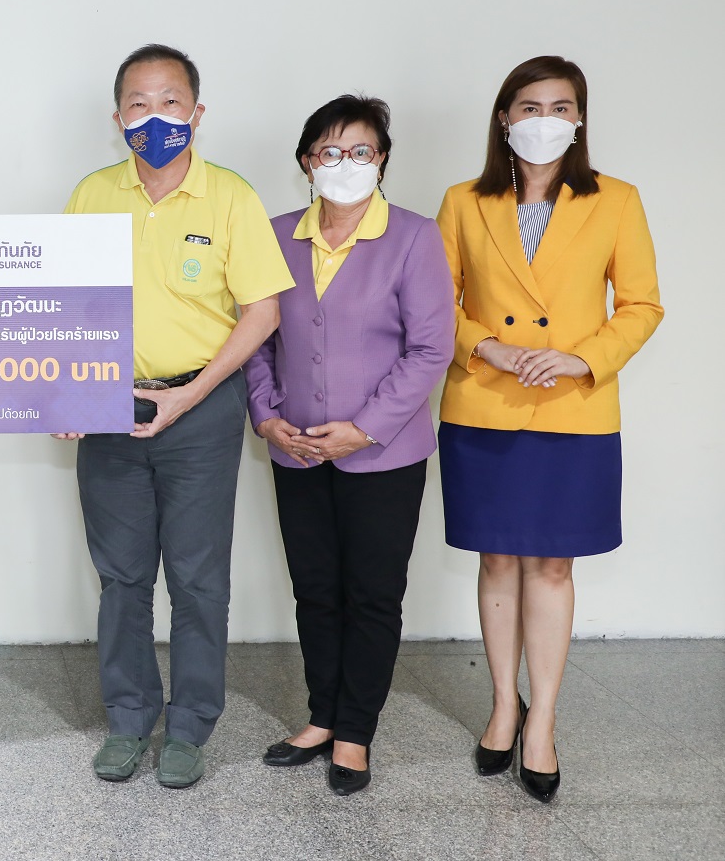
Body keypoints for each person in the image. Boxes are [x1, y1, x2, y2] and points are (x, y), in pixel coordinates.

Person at [57, 44, 293, 788]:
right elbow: (61, 305)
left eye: (169, 102)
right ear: (117, 117)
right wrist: (63, 391)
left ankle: (189, 726)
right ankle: (129, 719)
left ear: (196, 112)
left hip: (202, 407)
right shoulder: (92, 194)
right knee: (122, 576)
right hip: (109, 407)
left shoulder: (231, 197)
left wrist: (191, 395)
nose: (154, 117)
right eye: (138, 103)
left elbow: (262, 313)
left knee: (197, 578)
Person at [436, 56, 663, 803]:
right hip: (486, 404)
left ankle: (544, 721)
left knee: (555, 567)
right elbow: (437, 302)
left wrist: (579, 358)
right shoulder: (464, 201)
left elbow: (642, 304)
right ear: (504, 117)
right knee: (498, 559)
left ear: (580, 118)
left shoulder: (616, 199)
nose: (545, 119)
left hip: (573, 408)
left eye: (561, 107)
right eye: (529, 106)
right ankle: (504, 706)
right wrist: (488, 347)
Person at [244, 95, 454, 795]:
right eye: (329, 151)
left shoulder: (415, 237)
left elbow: (430, 349)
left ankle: (355, 731)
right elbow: (255, 340)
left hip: (382, 454)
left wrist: (364, 428)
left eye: (361, 151)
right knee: (314, 589)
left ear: (382, 160)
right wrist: (267, 417)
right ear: (307, 162)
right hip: (296, 447)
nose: (345, 163)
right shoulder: (275, 236)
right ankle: (321, 716)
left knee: (371, 595)